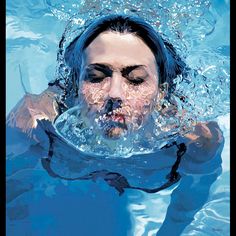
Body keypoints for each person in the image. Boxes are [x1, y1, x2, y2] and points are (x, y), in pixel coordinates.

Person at [6, 14, 224, 236]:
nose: (114, 93)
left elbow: (189, 202)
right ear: (76, 84)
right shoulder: (34, 122)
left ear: (161, 93)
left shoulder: (197, 140)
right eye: (96, 77)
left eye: (136, 79)